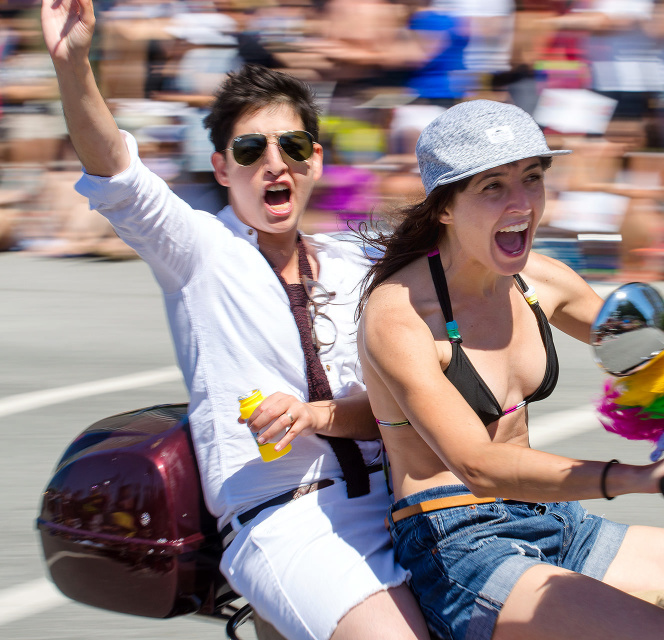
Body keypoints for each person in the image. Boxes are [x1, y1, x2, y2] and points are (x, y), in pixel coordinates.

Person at [40, 1, 429, 639]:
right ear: (222, 168)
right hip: (286, 518)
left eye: (293, 144)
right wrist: (73, 63)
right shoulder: (198, 250)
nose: (274, 162)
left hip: (396, 501)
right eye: (251, 148)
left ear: (316, 160)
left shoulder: (356, 260)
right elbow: (116, 169)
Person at [356, 99, 664, 640]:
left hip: (556, 520)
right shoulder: (399, 314)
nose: (522, 203)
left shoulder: (543, 280)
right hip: (458, 543)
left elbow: (663, 351)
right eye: (493, 186)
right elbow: (477, 464)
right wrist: (639, 477)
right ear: (444, 206)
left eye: (531, 179)